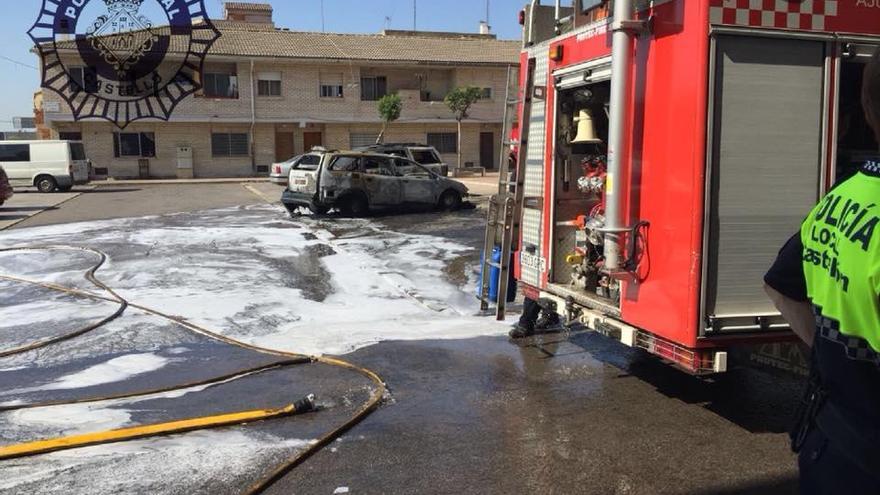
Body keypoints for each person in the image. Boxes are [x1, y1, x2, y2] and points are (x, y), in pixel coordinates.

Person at [764, 48, 880, 495]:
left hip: (833, 444)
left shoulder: (839, 198)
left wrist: (832, 358)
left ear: (868, 114)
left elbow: (779, 284)